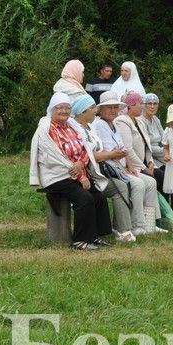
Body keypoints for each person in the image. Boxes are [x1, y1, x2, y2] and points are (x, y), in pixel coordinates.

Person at [30, 92, 112, 250]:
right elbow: (57, 157)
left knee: (99, 197)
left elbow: (84, 148)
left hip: (74, 173)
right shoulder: (47, 129)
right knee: (85, 198)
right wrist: (81, 176)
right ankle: (80, 240)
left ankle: (94, 236)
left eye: (67, 108)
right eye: (59, 108)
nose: (64, 111)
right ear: (51, 109)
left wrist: (81, 163)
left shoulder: (71, 126)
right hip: (56, 175)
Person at [68, 94, 136, 242]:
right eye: (92, 108)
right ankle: (123, 229)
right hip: (87, 175)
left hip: (97, 172)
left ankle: (125, 227)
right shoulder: (76, 129)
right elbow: (89, 155)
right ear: (82, 112)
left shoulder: (90, 127)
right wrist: (112, 154)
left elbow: (96, 153)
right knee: (120, 187)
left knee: (125, 184)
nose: (95, 111)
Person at [92, 91, 159, 236]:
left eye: (115, 107)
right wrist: (124, 165)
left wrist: (129, 166)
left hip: (120, 167)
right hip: (108, 170)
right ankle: (137, 225)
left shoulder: (113, 124)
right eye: (109, 107)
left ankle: (149, 223)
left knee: (150, 182)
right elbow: (112, 153)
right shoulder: (99, 125)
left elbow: (123, 150)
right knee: (138, 183)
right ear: (100, 110)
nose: (113, 110)